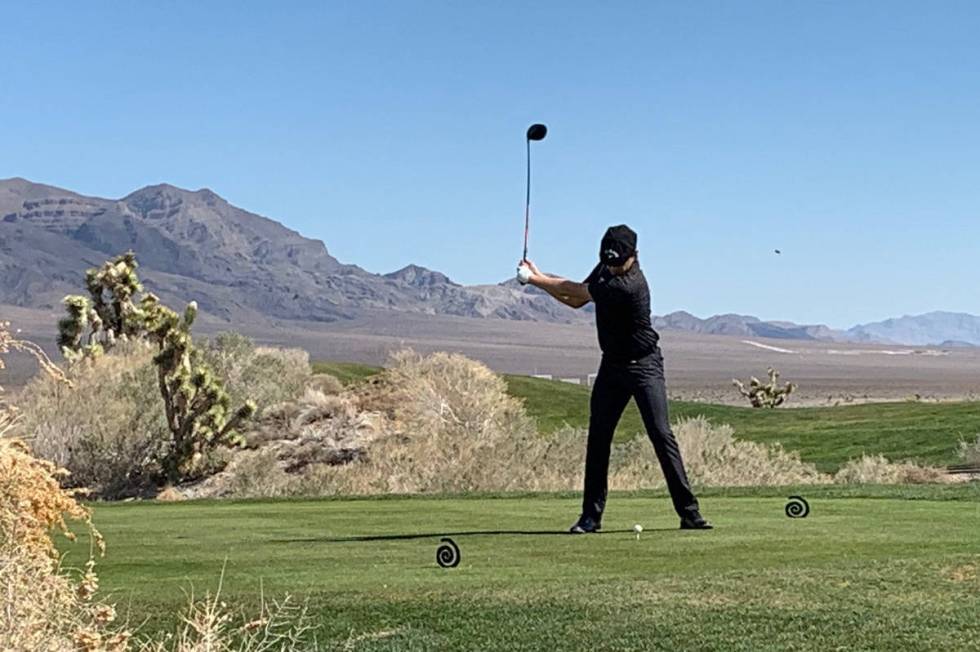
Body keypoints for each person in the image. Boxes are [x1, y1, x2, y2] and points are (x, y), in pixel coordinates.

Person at [519, 224, 712, 533]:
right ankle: (590, 518)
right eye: (607, 261)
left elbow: (578, 292)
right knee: (598, 439)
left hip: (645, 365)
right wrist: (538, 279)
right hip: (612, 367)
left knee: (661, 436)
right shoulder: (608, 267)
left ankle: (689, 512)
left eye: (617, 261)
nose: (611, 266)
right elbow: (575, 300)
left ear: (633, 257)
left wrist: (534, 279)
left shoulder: (630, 285)